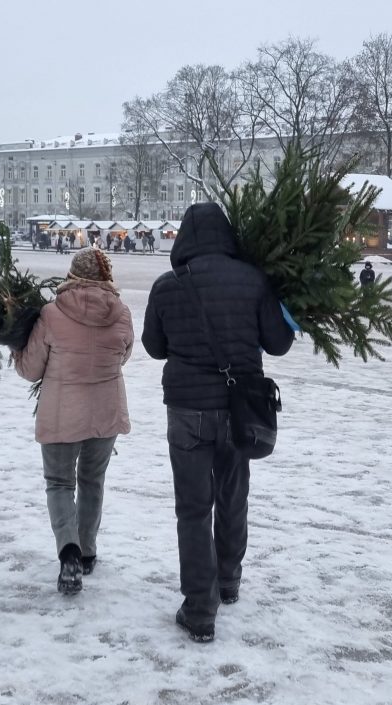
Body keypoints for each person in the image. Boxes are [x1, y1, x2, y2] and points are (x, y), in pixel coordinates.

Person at [142, 202, 294, 643]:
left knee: (192, 511)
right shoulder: (253, 279)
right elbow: (278, 344)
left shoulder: (166, 286)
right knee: (232, 497)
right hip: (239, 411)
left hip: (187, 412)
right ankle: (228, 582)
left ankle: (200, 610)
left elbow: (154, 347)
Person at [12, 248, 133, 595]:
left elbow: (31, 368)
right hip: (106, 411)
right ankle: (88, 551)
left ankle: (69, 554)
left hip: (62, 411)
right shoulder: (121, 312)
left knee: (60, 483)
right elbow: (123, 355)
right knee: (92, 480)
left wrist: (17, 348)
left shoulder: (51, 313)